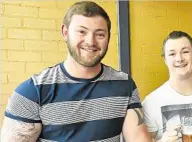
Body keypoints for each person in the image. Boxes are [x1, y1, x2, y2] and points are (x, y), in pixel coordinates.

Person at [0, 1, 151, 142]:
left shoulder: (124, 85)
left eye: (100, 34)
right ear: (65, 32)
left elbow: (138, 136)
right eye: (82, 32)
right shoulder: (32, 92)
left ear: (108, 38)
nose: (90, 41)